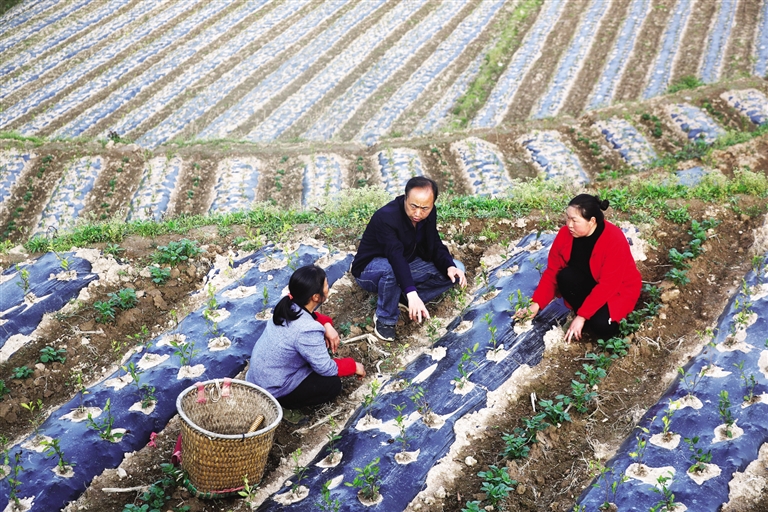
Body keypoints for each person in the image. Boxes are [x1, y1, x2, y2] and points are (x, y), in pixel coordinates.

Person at [352, 176, 467, 341]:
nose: (418, 213)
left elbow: (433, 242)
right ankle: (386, 317)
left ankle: (402, 297)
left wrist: (449, 266)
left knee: (457, 270)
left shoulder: (428, 214)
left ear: (432, 204)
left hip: (406, 262)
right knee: (390, 269)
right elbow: (395, 256)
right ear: (405, 198)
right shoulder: (386, 217)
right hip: (371, 270)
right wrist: (412, 291)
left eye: (425, 208)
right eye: (413, 206)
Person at [515, 194, 641, 342]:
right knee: (564, 276)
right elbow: (552, 272)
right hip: (590, 282)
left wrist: (582, 316)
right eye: (568, 218)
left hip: (617, 290)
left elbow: (609, 284)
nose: (569, 224)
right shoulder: (565, 235)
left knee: (602, 327)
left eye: (574, 220)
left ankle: (589, 316)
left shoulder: (613, 239)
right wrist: (536, 304)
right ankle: (587, 313)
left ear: (592, 221)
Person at [246, 265, 365, 411]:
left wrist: (327, 324)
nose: (328, 287)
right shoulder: (308, 330)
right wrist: (353, 366)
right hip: (272, 389)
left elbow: (310, 317)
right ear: (315, 297)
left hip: (257, 378)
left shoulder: (287, 305)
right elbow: (326, 368)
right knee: (332, 385)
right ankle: (287, 408)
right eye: (326, 285)